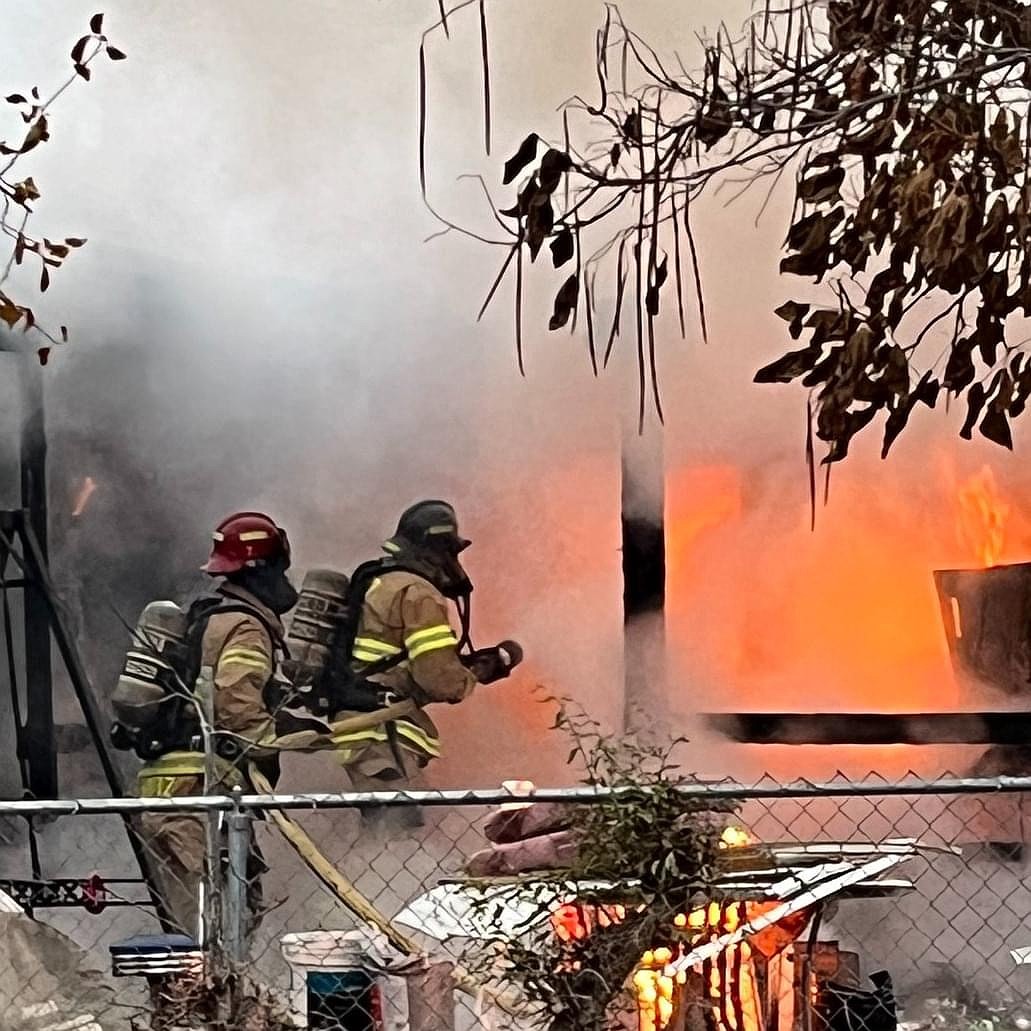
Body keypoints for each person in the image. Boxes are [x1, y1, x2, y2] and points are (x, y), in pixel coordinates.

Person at [136, 511, 298, 940]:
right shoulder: (243, 625)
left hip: (170, 786)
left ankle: (199, 998)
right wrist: (276, 741)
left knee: (197, 917)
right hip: (202, 788)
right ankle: (210, 1002)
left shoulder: (205, 615)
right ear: (264, 569)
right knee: (217, 922)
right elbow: (235, 704)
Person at [332, 500, 521, 824]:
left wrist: (459, 664)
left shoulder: (381, 581)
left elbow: (399, 659)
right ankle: (375, 875)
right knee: (398, 827)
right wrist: (475, 672)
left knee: (394, 822)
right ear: (439, 549)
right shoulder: (419, 593)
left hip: (364, 722)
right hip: (380, 729)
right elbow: (439, 679)